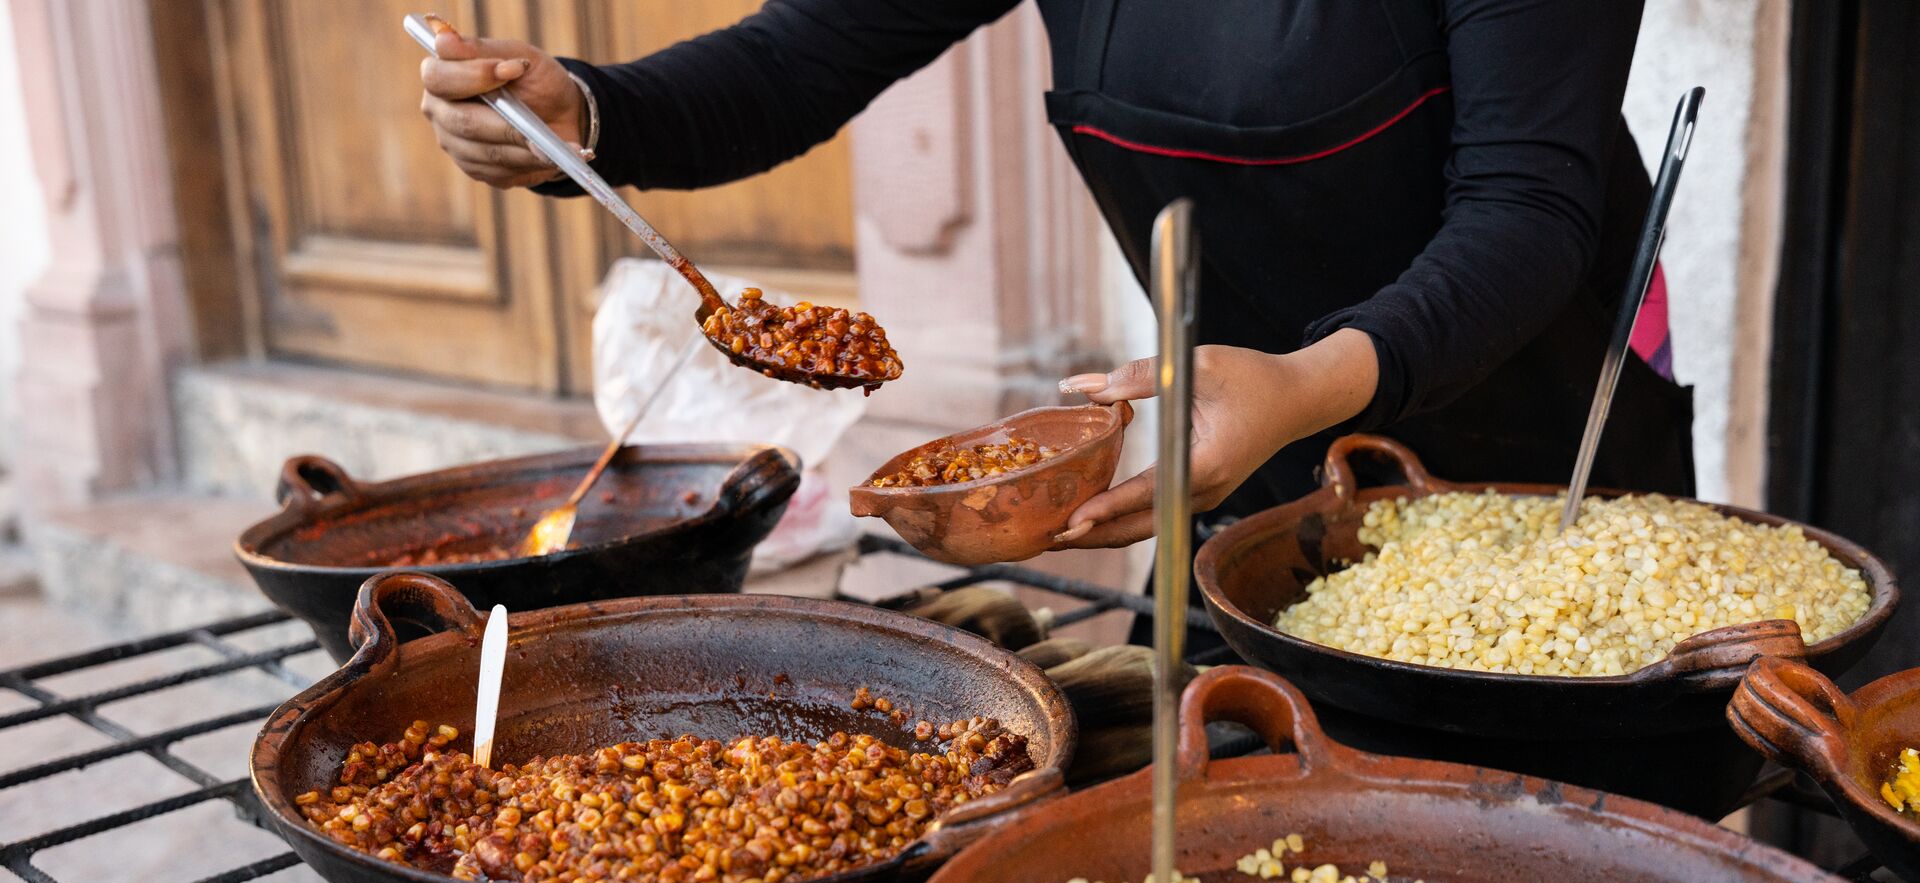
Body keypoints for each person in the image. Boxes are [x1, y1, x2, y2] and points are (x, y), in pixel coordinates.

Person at [419, 0, 1693, 550]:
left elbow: (1527, 211)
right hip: (1239, 458)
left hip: (1540, 466)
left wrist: (1305, 388)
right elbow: (796, 62)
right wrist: (585, 116)